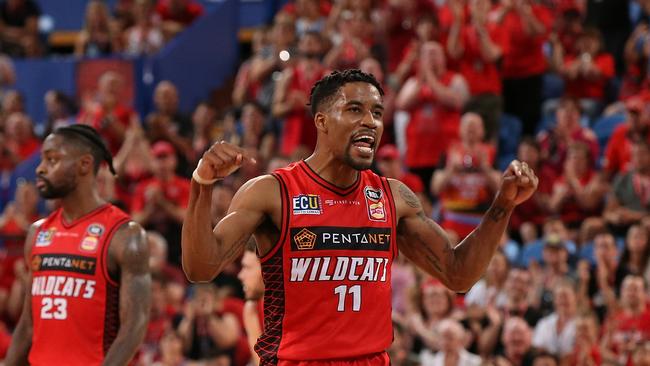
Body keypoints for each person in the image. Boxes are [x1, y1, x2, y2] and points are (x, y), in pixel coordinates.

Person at [182, 69, 538, 364]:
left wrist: (503, 205)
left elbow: (458, 274)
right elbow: (200, 268)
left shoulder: (394, 197)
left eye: (378, 113)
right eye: (355, 109)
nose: (370, 121)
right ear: (321, 121)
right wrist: (202, 184)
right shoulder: (273, 191)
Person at [4, 124, 151, 365]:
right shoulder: (38, 232)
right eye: (42, 160)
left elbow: (135, 325)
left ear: (84, 164)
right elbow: (28, 324)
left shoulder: (124, 234)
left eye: (52, 160)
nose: (41, 169)